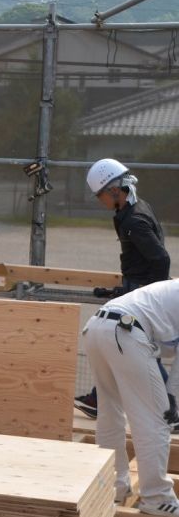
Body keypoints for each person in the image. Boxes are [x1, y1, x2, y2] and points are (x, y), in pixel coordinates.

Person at [74, 158, 173, 421]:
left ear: (116, 190)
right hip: (136, 288)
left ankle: (170, 407)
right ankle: (100, 398)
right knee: (121, 347)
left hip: (141, 293)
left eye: (100, 195)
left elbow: (161, 259)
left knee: (132, 350)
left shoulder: (134, 221)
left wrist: (152, 296)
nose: (99, 200)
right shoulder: (132, 211)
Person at [80, 279, 179, 517]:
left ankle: (112, 488)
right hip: (125, 331)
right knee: (157, 419)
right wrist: (173, 397)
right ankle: (157, 498)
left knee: (109, 413)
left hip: (96, 327)